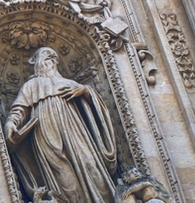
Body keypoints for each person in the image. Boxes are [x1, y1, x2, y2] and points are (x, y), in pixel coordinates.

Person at [6, 47, 118, 203]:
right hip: (45, 130)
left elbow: (96, 108)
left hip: (75, 130)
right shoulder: (32, 85)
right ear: (36, 63)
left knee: (91, 165)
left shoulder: (70, 83)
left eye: (53, 58)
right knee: (63, 176)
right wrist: (11, 123)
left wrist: (85, 91)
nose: (49, 60)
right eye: (45, 58)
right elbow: (19, 108)